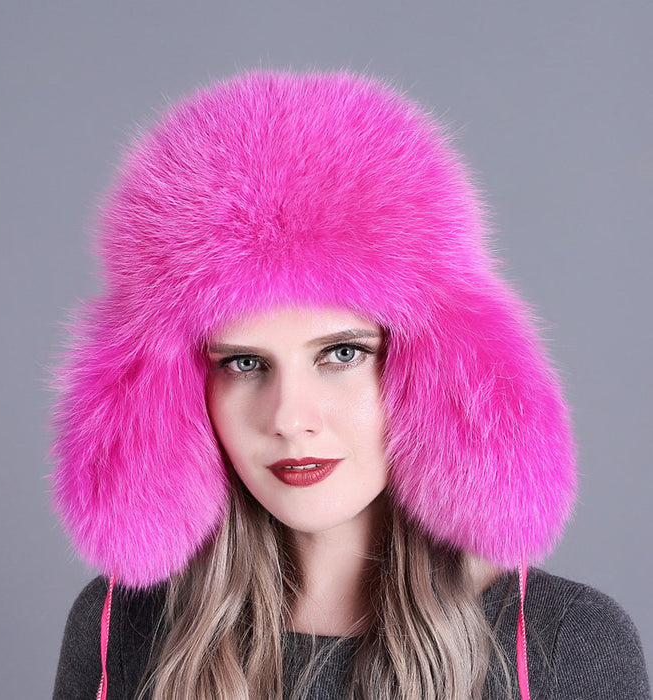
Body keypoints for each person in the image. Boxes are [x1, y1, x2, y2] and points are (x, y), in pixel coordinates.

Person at [51, 71, 650, 699]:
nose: (289, 418)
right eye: (244, 363)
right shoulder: (119, 627)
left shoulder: (562, 645)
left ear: (439, 373)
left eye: (342, 353)